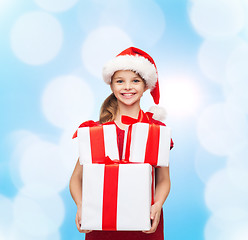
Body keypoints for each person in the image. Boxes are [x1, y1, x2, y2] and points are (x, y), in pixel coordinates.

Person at [69, 47, 174, 240]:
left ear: (145, 86)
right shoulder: (95, 132)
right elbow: (76, 178)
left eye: (135, 81)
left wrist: (157, 205)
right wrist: (81, 205)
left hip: (145, 225)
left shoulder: (155, 130)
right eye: (120, 81)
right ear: (111, 86)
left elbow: (163, 179)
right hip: (100, 226)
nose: (127, 87)